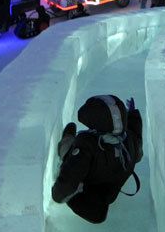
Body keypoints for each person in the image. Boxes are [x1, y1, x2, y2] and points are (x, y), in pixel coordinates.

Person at [52, 95, 143, 224]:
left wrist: (58, 193)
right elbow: (136, 137)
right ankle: (68, 140)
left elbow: (63, 189)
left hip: (97, 186)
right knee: (68, 153)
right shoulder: (129, 139)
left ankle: (68, 140)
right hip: (102, 185)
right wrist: (133, 115)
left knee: (97, 213)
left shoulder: (87, 145)